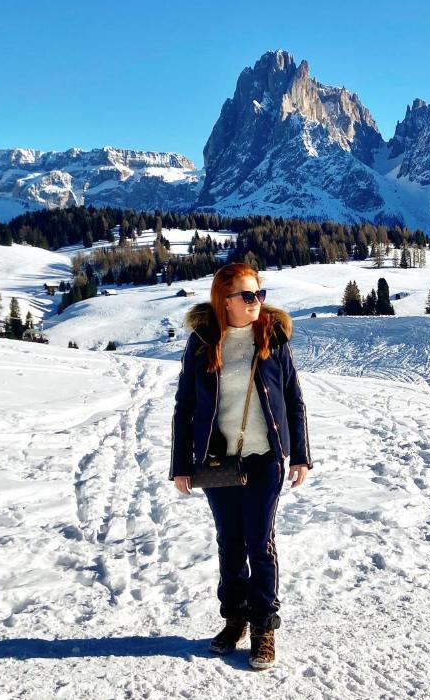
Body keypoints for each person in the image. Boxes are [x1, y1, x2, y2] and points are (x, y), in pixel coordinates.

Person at [169, 263, 312, 670]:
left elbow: (293, 398)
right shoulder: (202, 342)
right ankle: (235, 619)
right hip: (218, 461)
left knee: (259, 541)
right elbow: (186, 407)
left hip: (266, 460)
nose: (257, 303)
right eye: (247, 296)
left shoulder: (273, 336)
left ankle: (264, 625)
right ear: (225, 301)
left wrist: (300, 454)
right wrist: (181, 464)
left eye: (259, 295)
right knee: (229, 542)